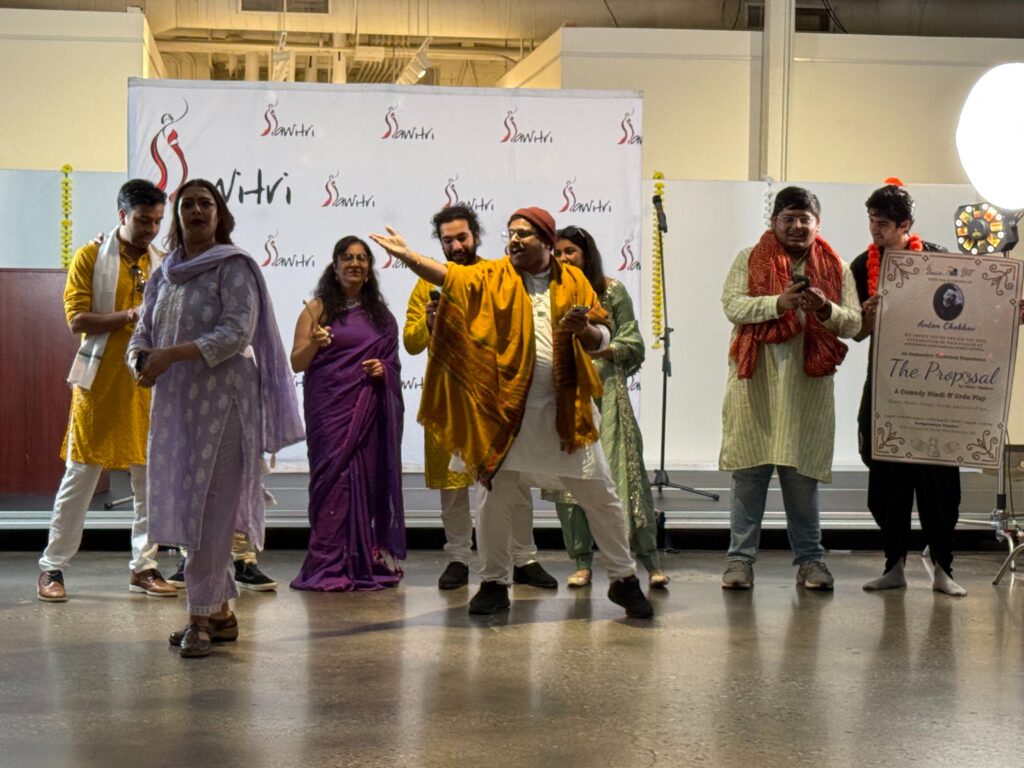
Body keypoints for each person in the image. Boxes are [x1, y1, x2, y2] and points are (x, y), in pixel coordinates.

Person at [371, 207, 654, 619]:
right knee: (494, 499)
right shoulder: (492, 275)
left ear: (546, 240)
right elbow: (448, 276)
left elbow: (601, 335)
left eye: (524, 233)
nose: (515, 239)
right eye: (511, 233)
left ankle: (623, 579)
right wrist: (408, 256)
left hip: (566, 412)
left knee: (600, 495)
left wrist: (586, 331)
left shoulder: (574, 280)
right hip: (503, 415)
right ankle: (493, 583)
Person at [128, 179, 303, 657]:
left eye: (206, 203)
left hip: (226, 404)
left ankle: (199, 620)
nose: (197, 210)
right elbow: (143, 331)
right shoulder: (165, 273)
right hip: (176, 408)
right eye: (188, 204)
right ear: (178, 216)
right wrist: (139, 359)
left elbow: (235, 332)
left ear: (220, 214)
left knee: (210, 511)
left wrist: (170, 355)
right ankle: (221, 614)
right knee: (192, 508)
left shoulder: (233, 266)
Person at [403, 204, 556, 591]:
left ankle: (524, 558)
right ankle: (458, 558)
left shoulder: (501, 274)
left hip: (497, 399)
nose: (456, 246)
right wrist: (430, 323)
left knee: (512, 481)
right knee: (454, 487)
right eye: (448, 240)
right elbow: (410, 343)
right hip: (450, 399)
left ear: (476, 236)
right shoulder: (427, 282)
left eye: (462, 238)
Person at [37, 179, 176, 602]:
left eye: (157, 221)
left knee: (149, 481)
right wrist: (131, 314)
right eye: (143, 220)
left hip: (147, 384)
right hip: (98, 383)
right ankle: (52, 566)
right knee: (80, 477)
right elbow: (77, 320)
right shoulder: (90, 256)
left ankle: (144, 566)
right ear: (122, 215)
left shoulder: (163, 263)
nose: (151, 229)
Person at [719, 186, 861, 591]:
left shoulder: (836, 267)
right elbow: (732, 305)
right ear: (774, 221)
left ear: (818, 224)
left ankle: (811, 561)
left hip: (806, 392)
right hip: (756, 387)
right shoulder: (749, 258)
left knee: (802, 484)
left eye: (805, 219)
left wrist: (824, 308)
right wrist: (777, 303)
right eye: (789, 218)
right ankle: (740, 560)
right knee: (749, 479)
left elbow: (852, 324)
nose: (797, 226)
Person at [850, 181, 966, 596]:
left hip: (934, 390)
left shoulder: (937, 259)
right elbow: (856, 332)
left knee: (939, 483)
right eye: (871, 221)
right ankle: (893, 565)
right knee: (885, 481)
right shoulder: (863, 265)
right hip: (886, 387)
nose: (874, 229)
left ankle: (943, 568)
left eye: (883, 223)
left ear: (906, 225)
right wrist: (867, 314)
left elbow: (964, 316)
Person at [542, 225, 669, 589]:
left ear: (587, 255)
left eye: (570, 251)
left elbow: (634, 344)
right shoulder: (547, 294)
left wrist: (600, 349)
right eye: (558, 253)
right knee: (570, 478)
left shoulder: (611, 291)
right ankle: (581, 562)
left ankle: (648, 561)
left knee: (623, 476)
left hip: (608, 394)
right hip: (567, 394)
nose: (564, 258)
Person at [289, 236, 406, 591]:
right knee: (333, 480)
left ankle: (359, 558)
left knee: (364, 482)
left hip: (367, 411)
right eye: (347, 257)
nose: (355, 263)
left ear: (369, 269)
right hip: (330, 409)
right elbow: (297, 363)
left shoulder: (381, 317)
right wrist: (315, 342)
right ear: (335, 265)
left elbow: (393, 363)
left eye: (362, 258)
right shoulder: (318, 308)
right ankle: (326, 562)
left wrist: (382, 370)